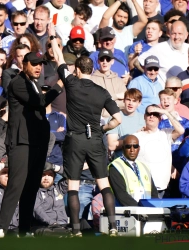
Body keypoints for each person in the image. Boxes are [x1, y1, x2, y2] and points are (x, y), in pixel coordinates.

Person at [49, 23, 122, 237]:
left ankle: (76, 231)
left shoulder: (71, 82)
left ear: (78, 70)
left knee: (73, 185)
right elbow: (117, 118)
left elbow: (59, 59)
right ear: (92, 69)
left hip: (75, 140)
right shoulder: (102, 91)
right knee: (104, 184)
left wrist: (53, 37)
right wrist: (103, 127)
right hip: (96, 139)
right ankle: (114, 228)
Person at [0, 51, 63, 238]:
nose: (38, 67)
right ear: (24, 64)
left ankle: (24, 230)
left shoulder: (33, 84)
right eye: (34, 63)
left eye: (40, 64)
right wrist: (59, 86)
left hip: (36, 143)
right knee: (16, 184)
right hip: (21, 142)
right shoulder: (18, 82)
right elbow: (38, 102)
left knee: (31, 186)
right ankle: (1, 228)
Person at [134, 104, 185, 198]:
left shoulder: (166, 133)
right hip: (142, 186)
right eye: (149, 113)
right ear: (144, 116)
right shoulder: (137, 136)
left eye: (155, 114)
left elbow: (181, 130)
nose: (151, 116)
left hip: (162, 187)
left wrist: (166, 112)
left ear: (160, 118)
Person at [108, 135, 158, 206]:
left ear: (139, 148)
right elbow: (121, 195)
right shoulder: (115, 167)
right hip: (126, 213)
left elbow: (154, 193)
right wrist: (140, 209)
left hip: (148, 211)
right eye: (128, 146)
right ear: (123, 148)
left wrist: (153, 208)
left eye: (135, 146)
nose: (132, 150)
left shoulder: (144, 167)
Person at [138, 20, 189, 88]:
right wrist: (150, 76)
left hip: (187, 93)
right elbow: (138, 62)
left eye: (180, 33)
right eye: (174, 33)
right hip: (166, 94)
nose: (176, 37)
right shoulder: (159, 48)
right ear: (169, 34)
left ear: (186, 35)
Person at [107, 88, 145, 159]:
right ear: (124, 100)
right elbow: (111, 145)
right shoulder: (116, 117)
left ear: (139, 103)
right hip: (121, 160)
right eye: (128, 100)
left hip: (140, 160)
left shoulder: (143, 119)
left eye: (134, 101)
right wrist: (135, 137)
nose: (130, 103)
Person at [91, 48, 127, 122]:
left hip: (118, 119)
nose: (105, 62)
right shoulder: (91, 80)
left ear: (112, 61)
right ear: (98, 61)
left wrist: (105, 102)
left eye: (108, 59)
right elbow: (95, 103)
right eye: (102, 59)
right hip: (99, 120)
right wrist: (116, 96)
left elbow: (125, 103)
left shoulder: (119, 80)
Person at [33, 162, 68, 229]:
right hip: (45, 227)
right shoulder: (34, 192)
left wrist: (54, 167)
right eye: (43, 175)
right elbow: (38, 211)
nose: (46, 178)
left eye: (50, 175)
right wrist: (53, 223)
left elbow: (71, 174)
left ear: (54, 177)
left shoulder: (59, 188)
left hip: (63, 225)